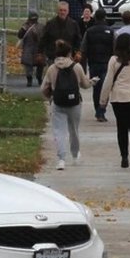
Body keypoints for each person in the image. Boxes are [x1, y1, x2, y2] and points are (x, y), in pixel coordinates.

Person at [99, 32, 130, 169]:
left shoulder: (114, 61)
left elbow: (108, 81)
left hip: (119, 98)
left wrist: (103, 101)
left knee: (122, 128)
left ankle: (124, 157)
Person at [41, 40, 94, 170]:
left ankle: (61, 159)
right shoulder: (77, 67)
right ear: (69, 53)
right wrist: (92, 82)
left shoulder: (52, 69)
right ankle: (75, 155)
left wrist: (50, 97)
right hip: (74, 103)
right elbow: (85, 85)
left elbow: (43, 88)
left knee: (59, 131)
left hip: (58, 102)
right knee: (73, 130)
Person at [80, 8, 115, 122]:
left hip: (93, 63)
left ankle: (97, 109)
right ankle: (101, 110)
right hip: (107, 64)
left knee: (96, 88)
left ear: (94, 18)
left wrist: (83, 67)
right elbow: (115, 50)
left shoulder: (89, 31)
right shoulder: (110, 31)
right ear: (105, 17)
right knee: (105, 88)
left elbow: (83, 50)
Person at [17, 11, 44, 86]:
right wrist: (23, 29)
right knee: (28, 65)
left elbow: (44, 38)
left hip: (38, 48)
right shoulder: (25, 26)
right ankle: (29, 79)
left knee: (40, 65)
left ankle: (39, 78)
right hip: (28, 48)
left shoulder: (41, 26)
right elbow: (20, 35)